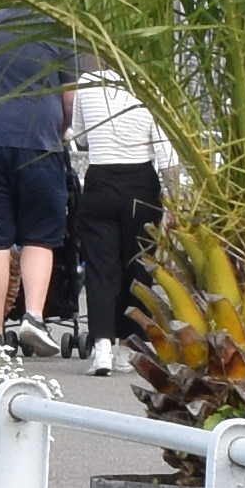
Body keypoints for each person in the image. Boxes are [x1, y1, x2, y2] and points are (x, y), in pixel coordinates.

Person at [0, 5, 80, 350]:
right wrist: (61, 129)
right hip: (40, 146)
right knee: (39, 237)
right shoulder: (55, 31)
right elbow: (70, 99)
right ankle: (33, 319)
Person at [64, 58, 169, 367]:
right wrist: (175, 196)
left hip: (100, 179)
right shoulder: (150, 84)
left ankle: (102, 346)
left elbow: (81, 135)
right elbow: (164, 148)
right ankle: (130, 343)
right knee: (138, 266)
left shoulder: (87, 82)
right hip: (141, 183)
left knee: (100, 266)